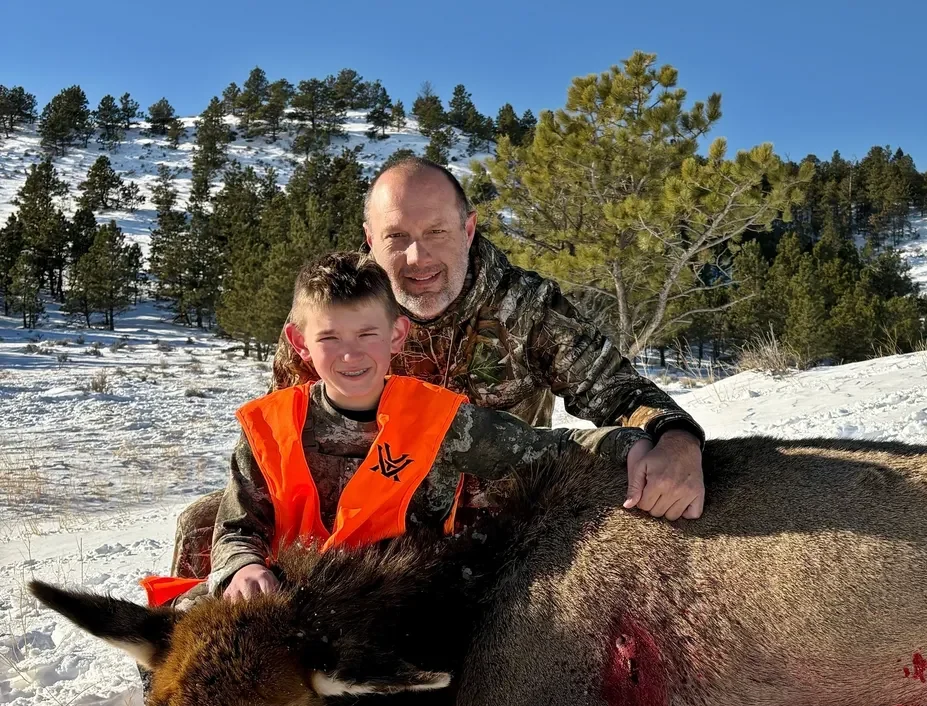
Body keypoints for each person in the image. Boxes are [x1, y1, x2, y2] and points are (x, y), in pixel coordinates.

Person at [167, 157, 704, 582]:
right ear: (370, 238)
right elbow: (285, 442)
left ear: (468, 229)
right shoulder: (332, 317)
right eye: (396, 236)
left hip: (485, 511)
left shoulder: (527, 308)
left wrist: (675, 437)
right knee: (201, 530)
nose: (416, 258)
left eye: (437, 232)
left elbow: (618, 392)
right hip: (358, 512)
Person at [143, 252, 650, 605]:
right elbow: (236, 529)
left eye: (367, 333)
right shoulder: (270, 428)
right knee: (188, 621)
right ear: (299, 343)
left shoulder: (440, 422)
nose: (350, 353)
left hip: (391, 611)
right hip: (290, 604)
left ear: (397, 334)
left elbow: (550, 450)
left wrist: (639, 444)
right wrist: (242, 569)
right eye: (330, 337)